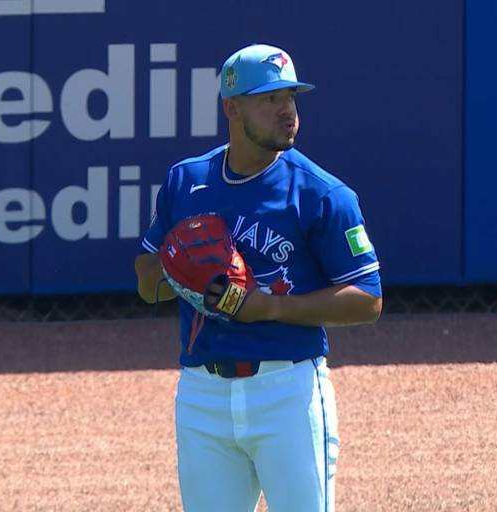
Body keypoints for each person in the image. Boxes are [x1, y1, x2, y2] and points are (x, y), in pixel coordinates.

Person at [134, 43, 383, 512]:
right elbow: (147, 282)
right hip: (202, 393)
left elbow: (368, 300)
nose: (286, 110)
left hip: (287, 391)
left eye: (290, 97)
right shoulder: (186, 181)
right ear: (232, 107)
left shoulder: (323, 194)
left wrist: (268, 306)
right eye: (269, 99)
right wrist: (180, 274)